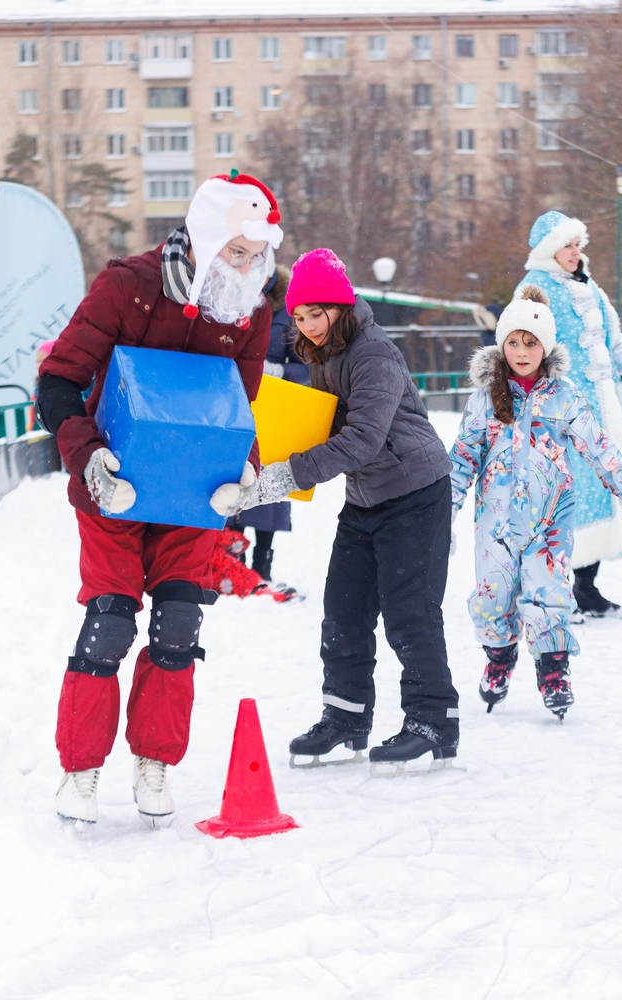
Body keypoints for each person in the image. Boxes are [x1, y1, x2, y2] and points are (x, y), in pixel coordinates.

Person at [36, 171, 282, 826]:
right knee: (110, 621)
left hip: (191, 495)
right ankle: (80, 772)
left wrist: (245, 469)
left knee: (178, 624)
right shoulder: (128, 286)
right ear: (204, 237)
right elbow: (57, 381)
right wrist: (89, 457)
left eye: (257, 255)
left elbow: (237, 407)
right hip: (115, 487)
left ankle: (155, 763)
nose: (247, 268)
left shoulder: (253, 309)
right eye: (236, 251)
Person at [218, 248, 460, 774]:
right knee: (343, 612)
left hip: (415, 492)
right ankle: (345, 717)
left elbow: (362, 440)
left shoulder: (373, 353)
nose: (308, 325)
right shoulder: (322, 354)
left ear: (341, 307)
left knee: (410, 613)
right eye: (300, 316)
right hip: (366, 497)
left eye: (317, 313)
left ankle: (433, 721)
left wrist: (282, 478)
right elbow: (321, 425)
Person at [451, 286, 622, 720]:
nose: (522, 352)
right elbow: (463, 455)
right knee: (492, 595)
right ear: (502, 344)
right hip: (495, 521)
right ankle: (499, 657)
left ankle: (554, 671)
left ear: (546, 347)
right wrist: (445, 510)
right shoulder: (485, 397)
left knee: (548, 593)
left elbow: (598, 445)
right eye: (514, 342)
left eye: (531, 342)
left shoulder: (564, 395)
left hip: (550, 519)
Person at [517, 210, 622, 618]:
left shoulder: (590, 287)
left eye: (577, 244)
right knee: (563, 497)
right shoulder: (533, 289)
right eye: (566, 245)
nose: (574, 252)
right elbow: (523, 349)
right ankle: (553, 588)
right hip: (557, 411)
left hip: (600, 408)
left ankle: (586, 586)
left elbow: (614, 341)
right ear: (549, 249)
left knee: (598, 492)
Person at [232, 261, 308, 582]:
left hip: (273, 406)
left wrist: (279, 371)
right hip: (232, 401)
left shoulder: (291, 308)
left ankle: (262, 567)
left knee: (266, 485)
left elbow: (309, 367)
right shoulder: (227, 296)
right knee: (230, 478)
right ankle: (230, 564)